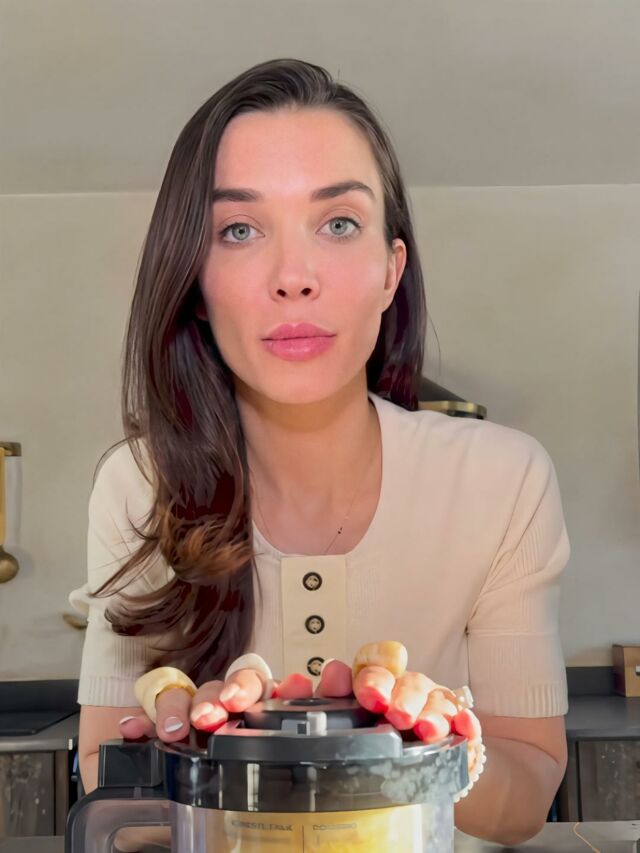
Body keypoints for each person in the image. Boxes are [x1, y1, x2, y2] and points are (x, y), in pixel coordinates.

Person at [69, 57, 570, 846]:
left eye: (338, 224)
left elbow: (528, 792)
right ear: (195, 282)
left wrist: (437, 753)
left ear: (390, 271)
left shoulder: (504, 480)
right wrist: (199, 760)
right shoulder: (138, 484)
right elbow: (110, 792)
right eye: (238, 230)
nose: (293, 277)